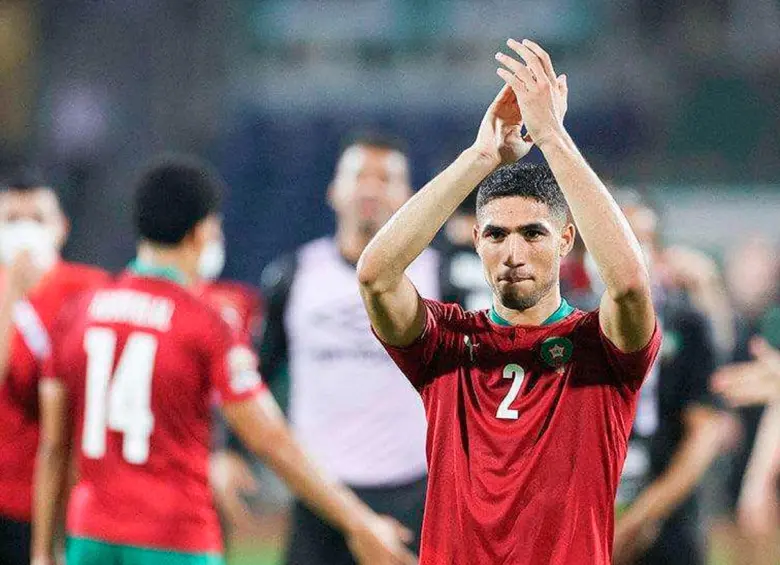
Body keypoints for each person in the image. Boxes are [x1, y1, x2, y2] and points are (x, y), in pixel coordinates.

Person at [357, 39, 660, 563]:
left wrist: (552, 137)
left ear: (566, 240)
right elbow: (376, 277)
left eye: (533, 234)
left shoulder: (600, 347)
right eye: (496, 235)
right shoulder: (446, 343)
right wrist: (479, 157)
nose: (513, 252)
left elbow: (630, 284)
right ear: (477, 242)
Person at [31, 156, 417, 565]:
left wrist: (42, 550)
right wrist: (359, 522)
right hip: (174, 540)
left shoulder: (80, 312)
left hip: (90, 536)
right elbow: (271, 441)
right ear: (201, 231)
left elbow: (54, 446)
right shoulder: (207, 321)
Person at [234, 132, 437, 565]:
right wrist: (230, 449)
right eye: (359, 174)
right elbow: (257, 372)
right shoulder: (293, 276)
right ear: (333, 191)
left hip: (414, 494)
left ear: (409, 196)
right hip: (318, 497)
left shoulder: (441, 278)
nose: (370, 187)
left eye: (386, 178)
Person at [607, 197, 729, 565]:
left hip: (668, 519)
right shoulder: (572, 322)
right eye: (613, 239)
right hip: (593, 513)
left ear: (658, 253)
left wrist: (640, 517)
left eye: (637, 239)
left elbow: (705, 431)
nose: (626, 252)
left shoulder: (687, 323)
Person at [0, 170, 108, 565]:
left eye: (36, 219)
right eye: (12, 220)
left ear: (60, 228)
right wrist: (11, 292)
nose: (24, 231)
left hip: (73, 495)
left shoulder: (91, 289)